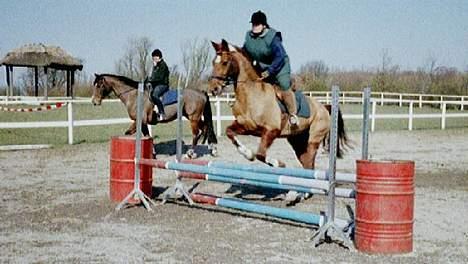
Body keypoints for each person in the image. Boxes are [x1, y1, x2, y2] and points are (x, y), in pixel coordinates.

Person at [243, 10, 298, 125]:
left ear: (263, 25)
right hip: (262, 68)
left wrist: (270, 71)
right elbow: (244, 52)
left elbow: (280, 56)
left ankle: (293, 114)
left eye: (257, 24)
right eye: (253, 24)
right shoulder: (249, 37)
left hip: (280, 66)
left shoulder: (272, 37)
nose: (254, 27)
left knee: (283, 85)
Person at [148, 49, 170, 121]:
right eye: (153, 58)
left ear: (158, 57)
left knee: (154, 95)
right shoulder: (156, 66)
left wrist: (151, 81)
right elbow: (152, 76)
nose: (153, 59)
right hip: (157, 84)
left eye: (154, 57)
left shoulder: (163, 65)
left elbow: (159, 77)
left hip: (163, 84)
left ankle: (162, 113)